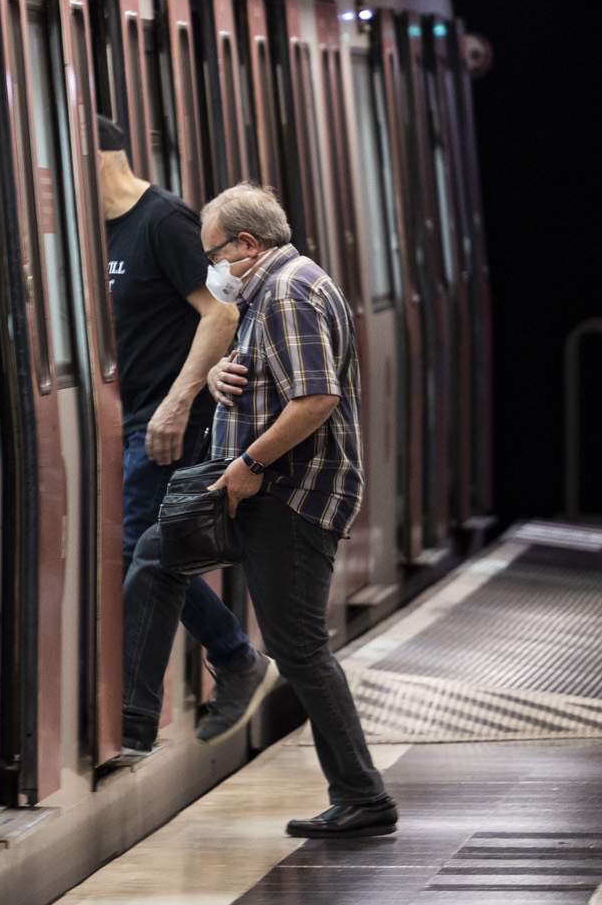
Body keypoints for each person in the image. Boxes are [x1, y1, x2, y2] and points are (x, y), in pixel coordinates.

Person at [128, 183, 394, 837]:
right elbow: (273, 376)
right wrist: (221, 375)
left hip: (286, 496)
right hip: (259, 495)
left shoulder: (290, 290)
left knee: (300, 649)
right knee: (155, 555)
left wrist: (250, 464)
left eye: (213, 253)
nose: (210, 267)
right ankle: (138, 721)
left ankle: (363, 795)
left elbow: (315, 398)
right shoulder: (270, 290)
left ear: (247, 245)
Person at [88, 118, 263, 785]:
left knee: (147, 548)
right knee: (149, 551)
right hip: (125, 418)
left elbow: (220, 313)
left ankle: (143, 713)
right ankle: (232, 659)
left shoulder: (162, 221)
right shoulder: (95, 231)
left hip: (163, 422)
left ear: (97, 159)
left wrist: (179, 399)